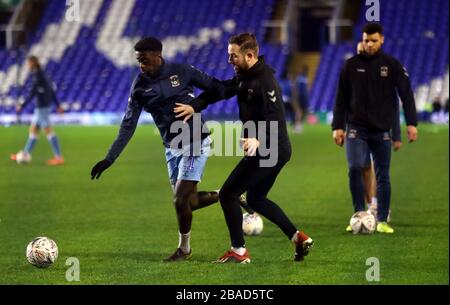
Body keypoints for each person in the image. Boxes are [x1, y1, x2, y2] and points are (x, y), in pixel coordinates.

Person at [174, 33, 313, 263]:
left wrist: (258, 139)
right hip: (272, 151)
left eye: (233, 56)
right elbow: (221, 90)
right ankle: (298, 238)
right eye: (229, 55)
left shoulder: (265, 81)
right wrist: (195, 106)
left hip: (270, 149)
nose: (230, 61)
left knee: (229, 193)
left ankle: (238, 251)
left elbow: (275, 117)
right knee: (257, 199)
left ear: (249, 55)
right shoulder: (244, 76)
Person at [90, 37, 230, 262]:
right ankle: (228, 194)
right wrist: (109, 158)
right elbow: (128, 124)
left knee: (180, 200)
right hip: (171, 148)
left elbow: (218, 88)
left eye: (144, 60)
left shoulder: (182, 71)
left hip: (195, 140)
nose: (141, 65)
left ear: (158, 55)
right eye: (138, 61)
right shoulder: (139, 86)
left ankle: (184, 250)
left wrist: (196, 105)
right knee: (188, 202)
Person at [332, 23, 418, 234]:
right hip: (356, 129)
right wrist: (337, 127)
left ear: (382, 41)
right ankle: (360, 213)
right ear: (362, 40)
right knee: (355, 167)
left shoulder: (392, 65)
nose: (369, 44)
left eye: (373, 40)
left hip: (381, 131)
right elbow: (341, 98)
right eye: (366, 40)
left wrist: (412, 123)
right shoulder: (350, 65)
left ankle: (382, 220)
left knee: (383, 176)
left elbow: (406, 95)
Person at [355, 42, 402, 224]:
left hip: (378, 131)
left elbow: (394, 106)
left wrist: (396, 134)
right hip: (358, 132)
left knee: (377, 169)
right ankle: (371, 205)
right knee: (362, 168)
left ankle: (377, 206)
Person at [10, 56, 65, 165]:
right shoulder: (43, 74)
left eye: (28, 63)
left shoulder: (38, 75)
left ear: (33, 63)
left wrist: (22, 105)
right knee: (33, 130)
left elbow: (33, 92)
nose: (28, 65)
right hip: (43, 107)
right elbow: (51, 91)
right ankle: (25, 154)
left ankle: (58, 157)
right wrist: (58, 105)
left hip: (42, 108)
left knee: (48, 132)